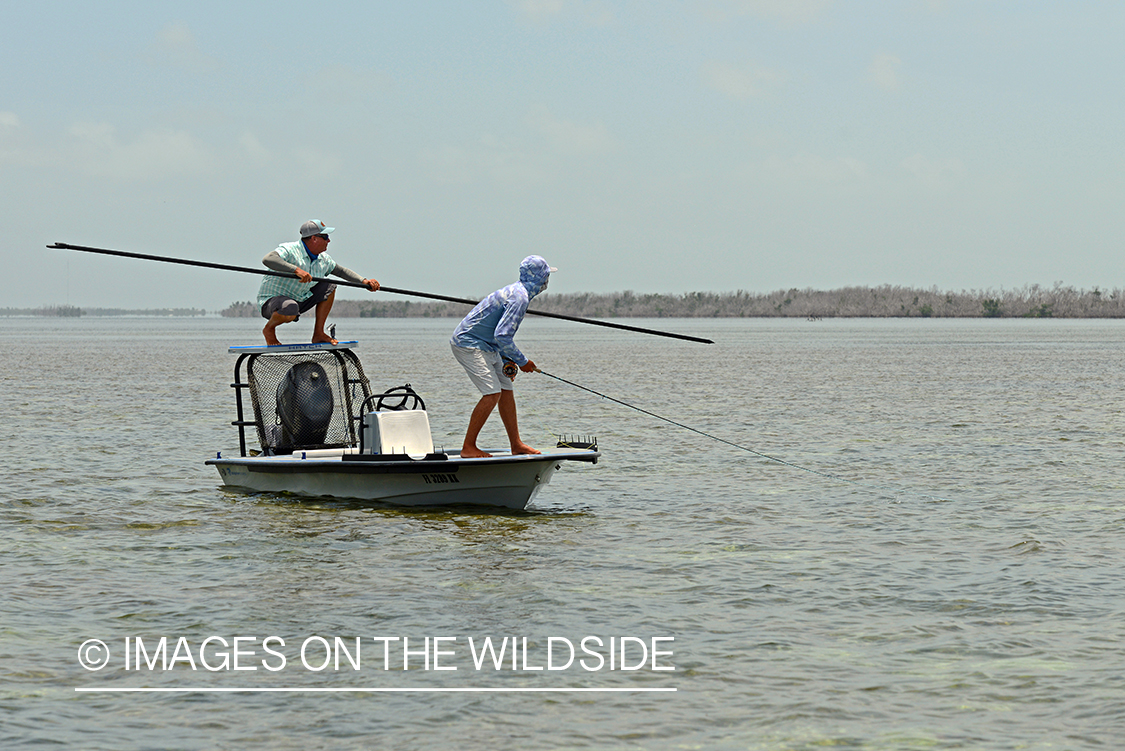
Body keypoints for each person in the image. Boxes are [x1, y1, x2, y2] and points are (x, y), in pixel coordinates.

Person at [450, 255, 556, 458]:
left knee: (506, 389)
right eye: (546, 276)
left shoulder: (518, 291)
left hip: (488, 345)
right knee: (492, 393)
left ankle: (516, 444)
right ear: (539, 278)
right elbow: (502, 336)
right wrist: (523, 362)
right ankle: (468, 447)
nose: (546, 282)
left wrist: (508, 360)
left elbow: (499, 334)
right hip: (468, 344)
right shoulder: (519, 297)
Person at [257, 220, 380, 346]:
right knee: (290, 307)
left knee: (329, 285)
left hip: (299, 300)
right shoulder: (290, 249)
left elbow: (341, 271)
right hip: (271, 303)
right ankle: (269, 329)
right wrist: (296, 270)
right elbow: (268, 259)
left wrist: (364, 282)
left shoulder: (324, 259)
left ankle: (318, 333)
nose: (329, 241)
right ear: (314, 238)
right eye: (325, 237)